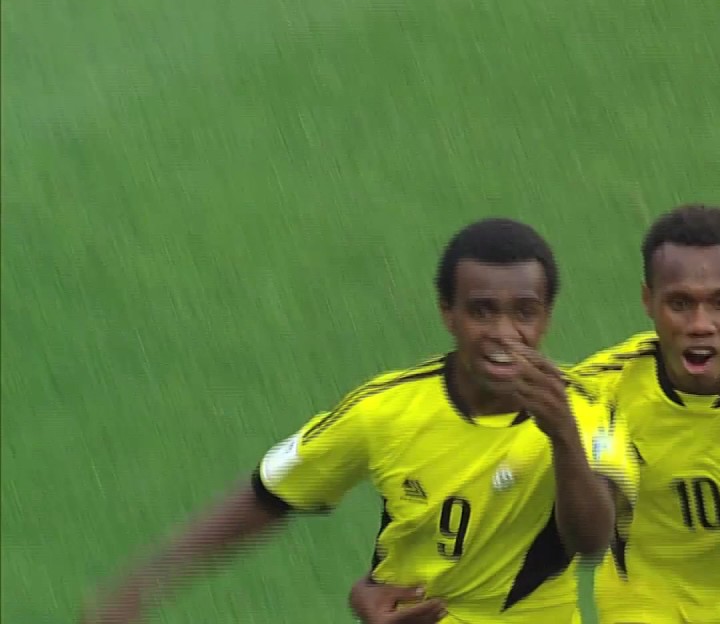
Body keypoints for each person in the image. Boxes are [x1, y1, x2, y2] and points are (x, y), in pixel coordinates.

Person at [353, 204, 720, 623]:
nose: (701, 324)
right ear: (648, 301)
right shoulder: (598, 393)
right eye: (680, 303)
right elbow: (484, 492)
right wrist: (376, 586)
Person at [82, 218, 637, 624]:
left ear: (547, 317)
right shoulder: (386, 409)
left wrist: (562, 437)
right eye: (481, 311)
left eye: (524, 312)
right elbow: (271, 493)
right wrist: (146, 581)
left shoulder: (586, 409)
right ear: (448, 313)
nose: (503, 334)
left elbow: (591, 541)